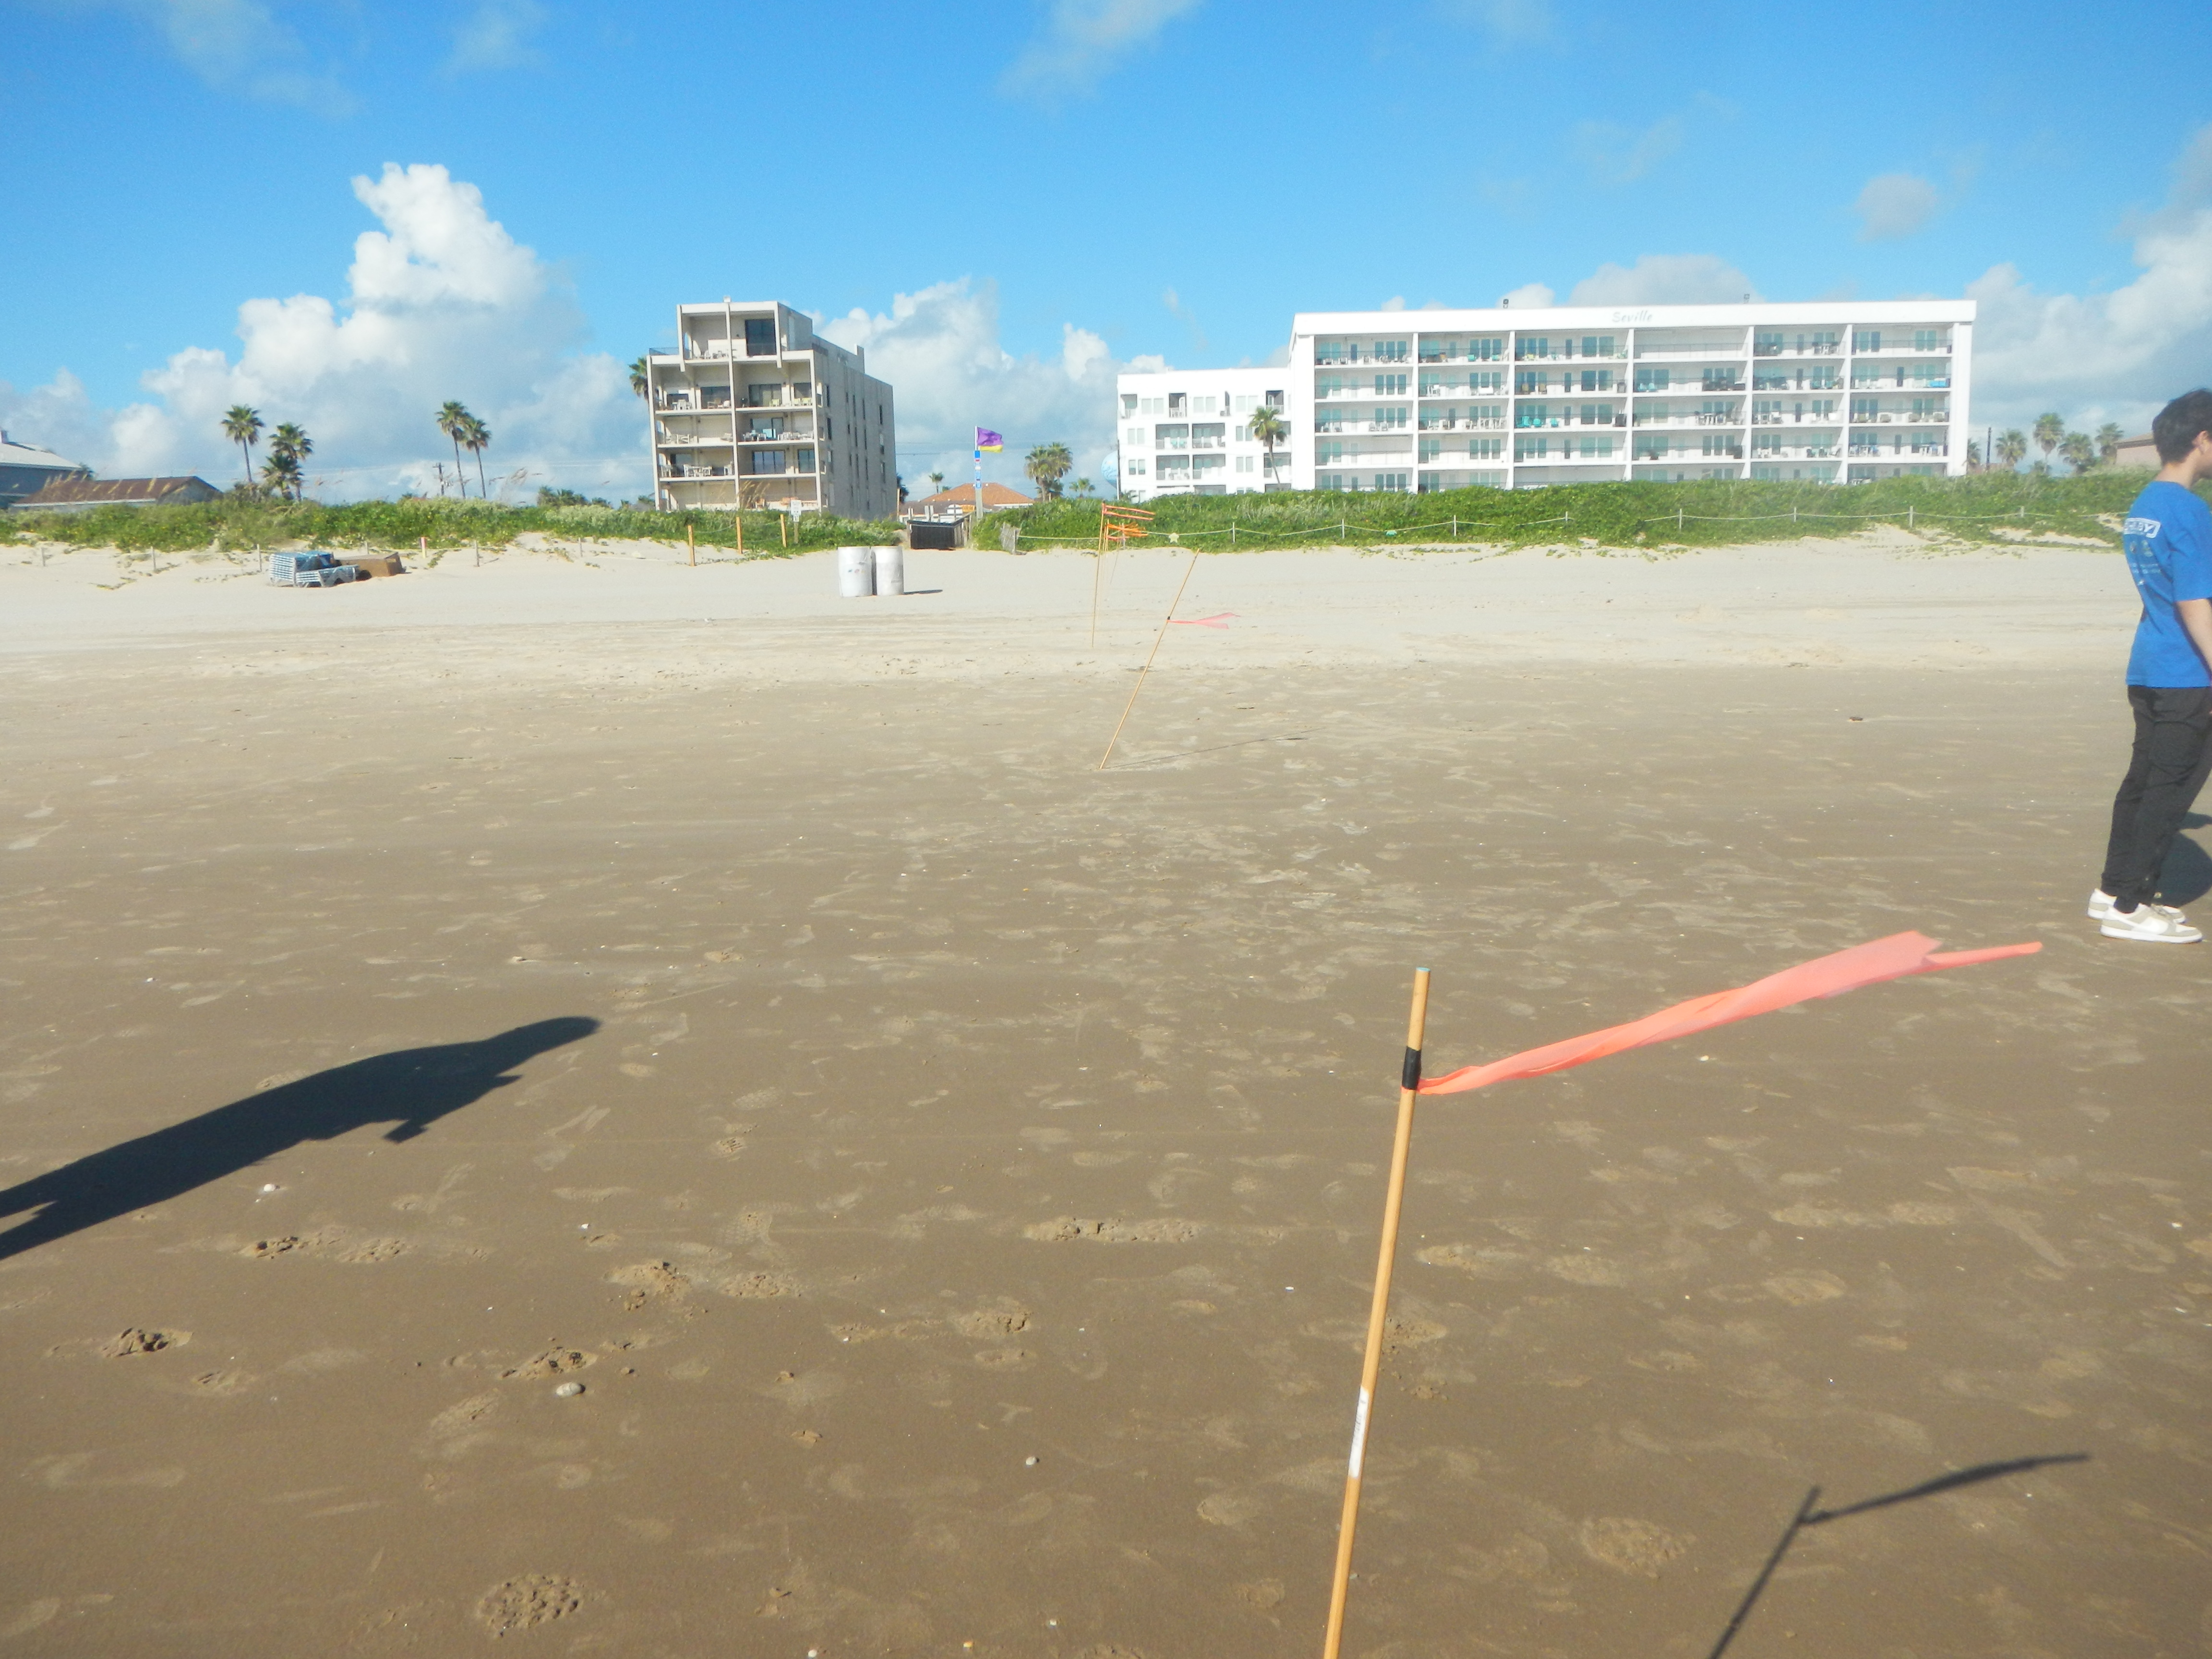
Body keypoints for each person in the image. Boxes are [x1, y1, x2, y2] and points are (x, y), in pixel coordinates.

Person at [2092, 388, 2212, 942]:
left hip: (2149, 666)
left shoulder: (2146, 504)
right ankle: (2130, 907)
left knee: (2143, 782)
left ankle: (2112, 889)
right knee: (2170, 788)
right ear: (2202, 440)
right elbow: (2193, 601)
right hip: (2185, 673)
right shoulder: (2189, 510)